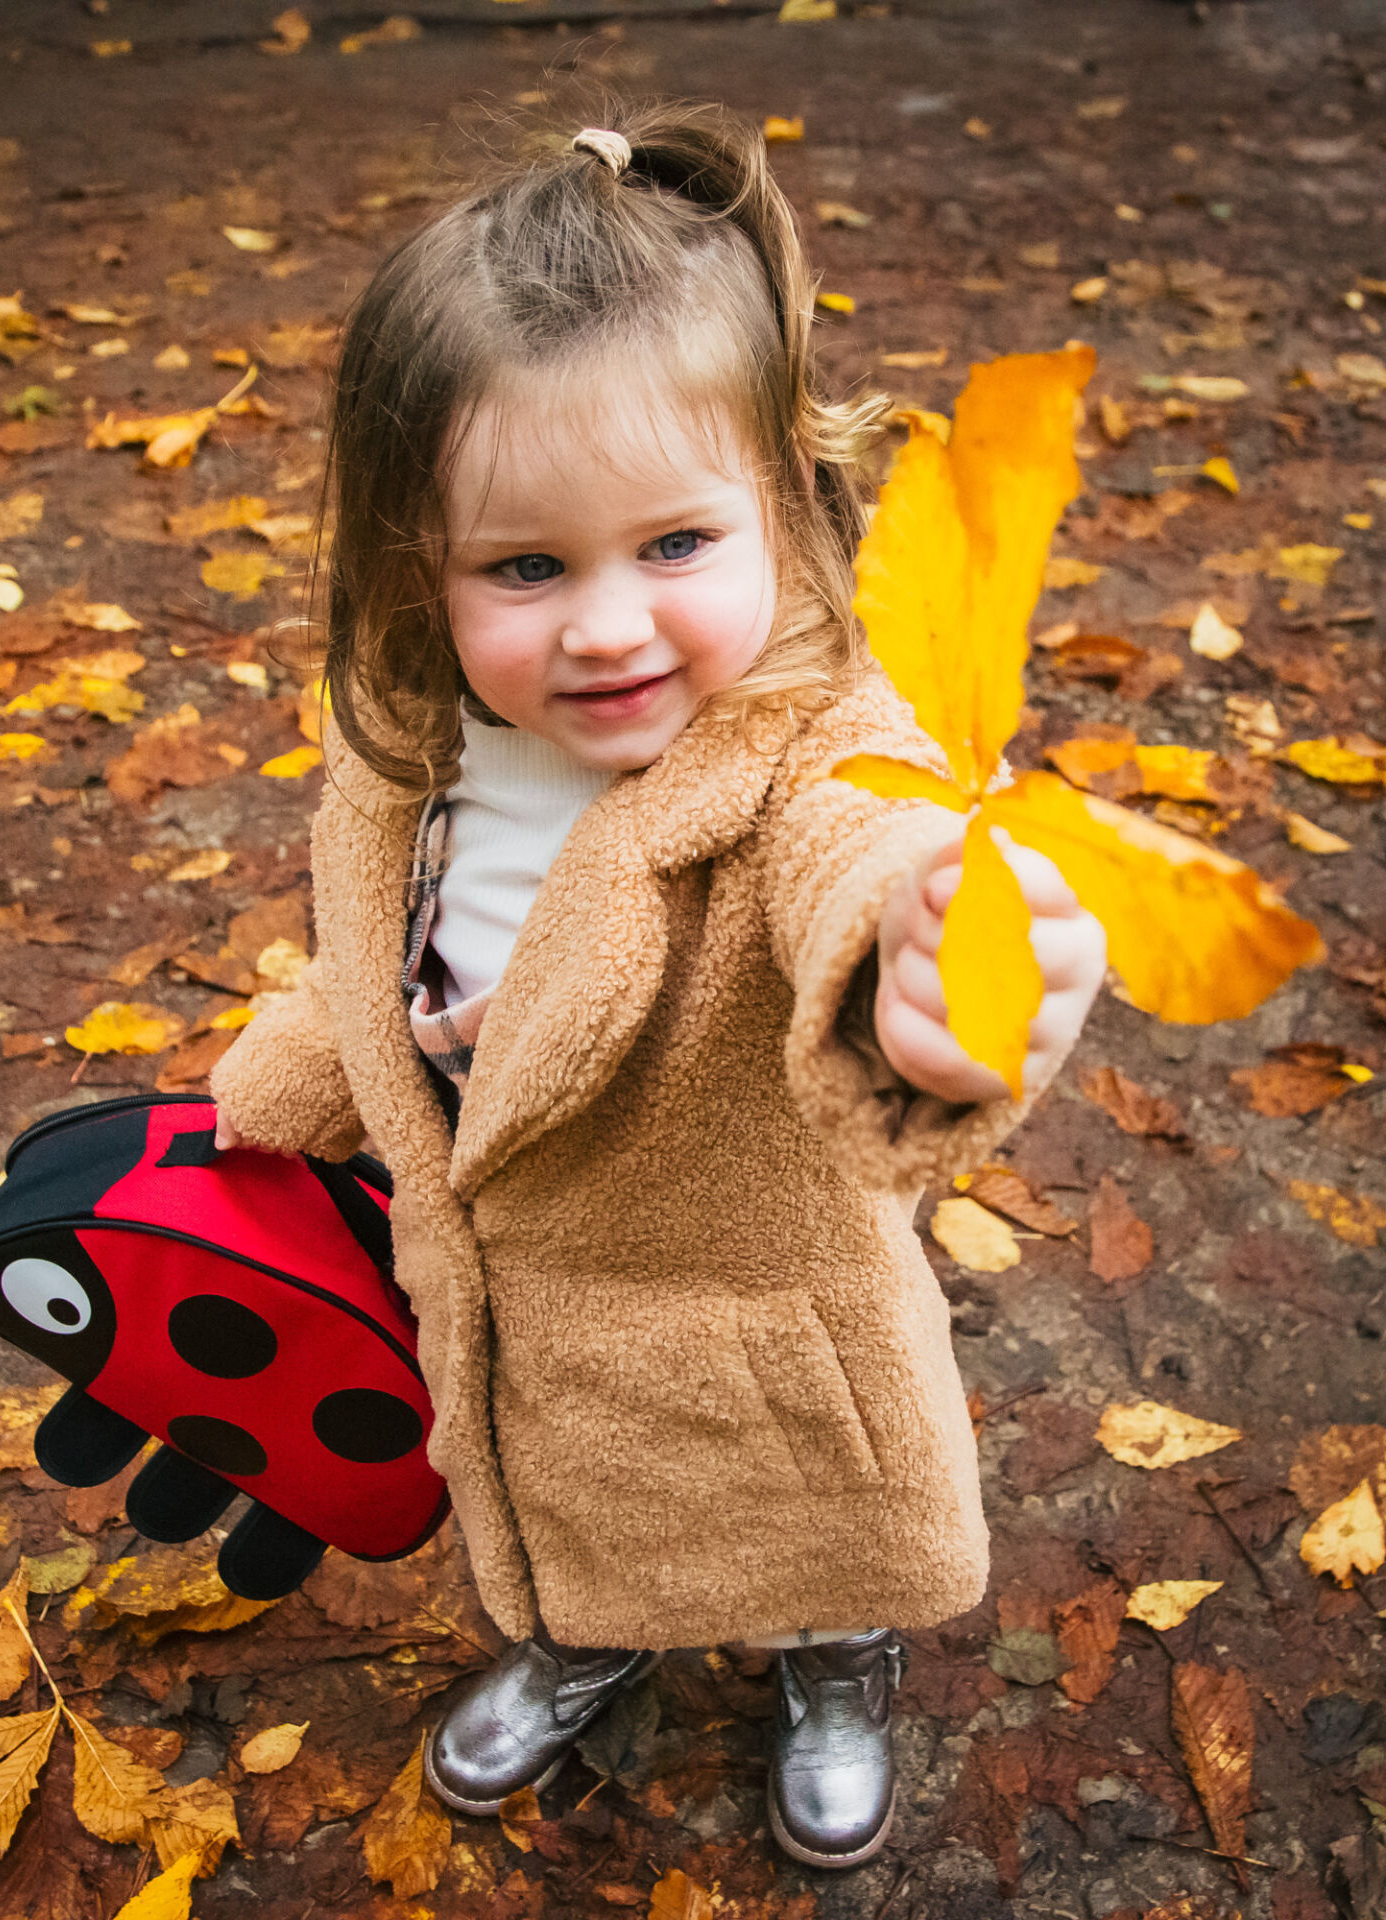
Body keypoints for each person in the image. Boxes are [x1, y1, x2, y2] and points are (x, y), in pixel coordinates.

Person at [209, 101, 1106, 1869]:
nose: (608, 624)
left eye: (676, 545)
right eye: (526, 566)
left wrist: (917, 963)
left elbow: (852, 858)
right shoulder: (423, 750)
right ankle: (586, 1632)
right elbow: (411, 961)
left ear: (779, 497)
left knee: (817, 1527)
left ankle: (835, 1663)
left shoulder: (815, 746)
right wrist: (290, 1079)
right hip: (539, 1312)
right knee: (577, 1496)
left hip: (772, 1328)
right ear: (420, 566)